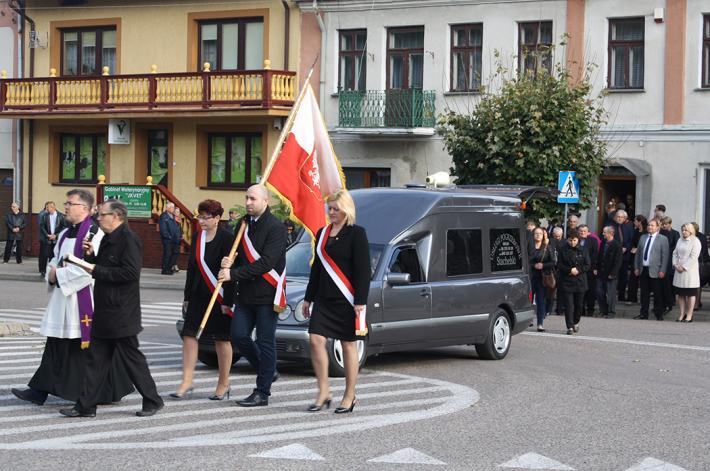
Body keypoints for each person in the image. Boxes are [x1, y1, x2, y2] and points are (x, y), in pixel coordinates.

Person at [11, 190, 133, 406]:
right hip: (63, 299)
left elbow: (90, 269)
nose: (65, 207)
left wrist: (57, 275)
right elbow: (56, 259)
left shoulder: (95, 234)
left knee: (84, 351)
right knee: (56, 344)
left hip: (84, 301)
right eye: (65, 203)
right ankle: (39, 390)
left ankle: (107, 391)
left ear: (84, 208)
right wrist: (52, 271)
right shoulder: (65, 233)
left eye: (70, 203)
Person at [60, 199, 164, 418]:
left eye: (102, 215)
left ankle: (153, 400)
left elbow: (129, 274)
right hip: (105, 310)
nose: (98, 218)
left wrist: (95, 268)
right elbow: (105, 266)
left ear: (116, 216)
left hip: (122, 311)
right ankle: (85, 406)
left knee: (131, 359)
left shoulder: (129, 239)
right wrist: (90, 256)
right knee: (95, 359)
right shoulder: (107, 239)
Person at [301, 190, 370, 413]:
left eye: (335, 209)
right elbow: (317, 269)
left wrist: (360, 301)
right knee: (315, 340)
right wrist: (308, 298)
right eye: (329, 208)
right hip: (324, 298)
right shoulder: (322, 234)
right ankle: (323, 391)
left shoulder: (356, 234)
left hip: (347, 300)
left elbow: (362, 270)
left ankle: (349, 395)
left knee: (348, 345)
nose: (331, 212)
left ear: (345, 209)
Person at [218, 185, 287, 407]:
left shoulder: (276, 227)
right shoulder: (243, 224)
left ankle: (262, 392)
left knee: (266, 341)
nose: (248, 202)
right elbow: (239, 256)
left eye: (253, 199)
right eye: (246, 198)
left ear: (265, 201)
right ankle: (267, 370)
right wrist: (229, 263)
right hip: (245, 294)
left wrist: (233, 273)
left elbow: (266, 263)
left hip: (267, 294)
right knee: (238, 336)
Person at [173, 200, 234, 400]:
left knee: (221, 339)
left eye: (206, 217)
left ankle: (223, 383)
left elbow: (231, 272)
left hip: (219, 296)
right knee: (189, 335)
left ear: (217, 218)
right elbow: (192, 269)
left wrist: (228, 301)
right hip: (199, 294)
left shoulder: (227, 238)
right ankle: (187, 380)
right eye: (200, 216)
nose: (202, 221)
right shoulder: (198, 237)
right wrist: (187, 297)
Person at [633, 218, 669, 321]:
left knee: (657, 294)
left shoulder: (662, 239)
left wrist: (662, 270)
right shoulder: (643, 237)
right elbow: (638, 253)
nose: (649, 227)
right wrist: (636, 267)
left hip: (656, 270)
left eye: (652, 225)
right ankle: (643, 313)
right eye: (649, 225)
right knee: (644, 294)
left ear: (658, 227)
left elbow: (665, 256)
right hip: (643, 269)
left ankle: (658, 314)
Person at [557, 230, 590, 335]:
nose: (572, 242)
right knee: (569, 305)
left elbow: (587, 265)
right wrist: (569, 270)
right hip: (567, 281)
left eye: (574, 240)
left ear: (578, 240)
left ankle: (576, 322)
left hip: (580, 281)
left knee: (579, 305)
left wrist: (578, 270)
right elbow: (559, 265)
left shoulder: (583, 250)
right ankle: (569, 326)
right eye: (570, 240)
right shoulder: (563, 249)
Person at [672, 223, 701, 323]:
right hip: (678, 269)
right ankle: (682, 314)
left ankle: (689, 315)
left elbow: (694, 257)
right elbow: (675, 253)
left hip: (689, 272)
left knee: (690, 294)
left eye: (686, 230)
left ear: (691, 231)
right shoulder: (680, 240)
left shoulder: (695, 241)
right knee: (680, 294)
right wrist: (675, 264)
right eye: (682, 230)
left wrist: (683, 267)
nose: (684, 232)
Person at [528, 227, 554, 332]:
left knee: (540, 301)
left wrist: (543, 265)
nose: (538, 235)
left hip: (542, 278)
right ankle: (528, 320)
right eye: (536, 233)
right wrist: (534, 265)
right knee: (528, 300)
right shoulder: (529, 247)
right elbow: (526, 261)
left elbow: (553, 262)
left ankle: (540, 324)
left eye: (540, 233)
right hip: (530, 277)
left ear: (543, 236)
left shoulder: (547, 247)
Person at [597, 226, 623, 319]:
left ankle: (611, 312)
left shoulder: (617, 245)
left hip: (611, 273)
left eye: (605, 232)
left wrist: (613, 273)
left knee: (611, 294)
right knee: (600, 292)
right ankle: (603, 310)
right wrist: (597, 268)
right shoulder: (603, 243)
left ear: (610, 233)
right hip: (601, 272)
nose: (603, 234)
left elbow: (618, 260)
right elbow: (600, 256)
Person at [38, 201, 66, 277]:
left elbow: (64, 226)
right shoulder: (45, 216)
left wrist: (56, 235)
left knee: (53, 256)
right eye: (46, 207)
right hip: (47, 239)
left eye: (48, 207)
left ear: (53, 207)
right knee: (44, 255)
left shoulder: (61, 216)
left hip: (56, 239)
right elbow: (42, 226)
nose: (47, 209)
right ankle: (43, 271)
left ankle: (51, 271)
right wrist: (47, 234)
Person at [612, 210, 633, 302]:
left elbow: (630, 240)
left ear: (625, 218)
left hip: (624, 256)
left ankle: (621, 295)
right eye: (618, 217)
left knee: (624, 277)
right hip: (614, 256)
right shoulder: (611, 227)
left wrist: (626, 248)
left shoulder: (628, 227)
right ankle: (612, 295)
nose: (620, 219)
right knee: (613, 275)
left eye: (622, 217)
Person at [660, 216, 680, 313]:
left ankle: (671, 301)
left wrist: (667, 252)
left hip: (671, 260)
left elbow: (677, 247)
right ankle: (664, 302)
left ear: (670, 224)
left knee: (671, 282)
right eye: (662, 224)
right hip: (662, 260)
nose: (664, 226)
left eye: (665, 224)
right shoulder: (660, 232)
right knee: (664, 282)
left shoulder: (675, 233)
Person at [578, 225, 599, 316]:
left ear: (588, 232)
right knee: (580, 291)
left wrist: (593, 267)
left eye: (584, 231)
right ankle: (580, 310)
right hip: (578, 270)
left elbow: (595, 255)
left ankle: (590, 309)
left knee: (591, 291)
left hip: (590, 269)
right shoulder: (575, 240)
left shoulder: (593, 241)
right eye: (581, 231)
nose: (582, 233)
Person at [626, 215, 647, 304]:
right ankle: (632, 298)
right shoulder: (635, 231)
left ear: (639, 222)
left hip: (643, 257)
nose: (634, 222)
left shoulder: (646, 233)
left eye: (635, 221)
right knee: (633, 277)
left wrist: (638, 249)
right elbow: (632, 242)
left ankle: (643, 299)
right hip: (634, 257)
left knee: (643, 279)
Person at [159, 202, 180, 275]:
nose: (173, 209)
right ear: (168, 208)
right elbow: (163, 229)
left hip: (175, 240)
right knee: (167, 255)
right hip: (168, 240)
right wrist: (168, 237)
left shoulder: (173, 216)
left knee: (175, 253)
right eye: (172, 207)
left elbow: (176, 227)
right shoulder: (164, 216)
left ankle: (169, 268)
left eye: (173, 207)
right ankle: (165, 270)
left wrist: (179, 236)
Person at [172, 207, 183, 273]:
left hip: (178, 238)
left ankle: (174, 265)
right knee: (174, 252)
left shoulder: (179, 219)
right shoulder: (172, 219)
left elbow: (179, 229)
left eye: (178, 212)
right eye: (176, 212)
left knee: (177, 253)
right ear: (174, 212)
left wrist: (182, 234)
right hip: (174, 239)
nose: (177, 213)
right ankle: (174, 265)